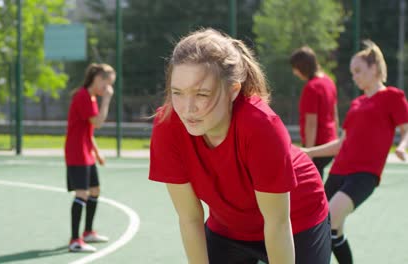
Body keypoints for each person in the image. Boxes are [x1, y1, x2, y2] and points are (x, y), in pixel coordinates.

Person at [149, 28, 331, 264]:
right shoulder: (168, 126)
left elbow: (277, 223)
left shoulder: (260, 125)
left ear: (233, 90)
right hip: (229, 227)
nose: (188, 108)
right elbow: (189, 218)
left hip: (295, 218)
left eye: (202, 94)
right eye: (178, 93)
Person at [302, 40, 408, 264]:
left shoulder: (392, 96)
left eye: (359, 70)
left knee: (327, 220)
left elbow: (406, 129)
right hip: (338, 172)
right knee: (331, 229)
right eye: (352, 72)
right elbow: (342, 143)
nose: (355, 76)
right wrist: (310, 152)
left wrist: (401, 145)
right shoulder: (357, 103)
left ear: (375, 68)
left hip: (364, 175)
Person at [65, 63, 115, 252]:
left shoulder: (92, 97)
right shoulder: (84, 96)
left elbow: (89, 131)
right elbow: (98, 122)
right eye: (107, 84)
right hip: (77, 152)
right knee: (82, 194)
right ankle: (75, 240)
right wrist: (107, 100)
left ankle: (87, 232)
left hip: (86, 151)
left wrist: (96, 151)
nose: (108, 88)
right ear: (98, 79)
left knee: (95, 190)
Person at [290, 46, 339, 178]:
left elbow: (311, 123)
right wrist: (336, 140)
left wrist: (309, 152)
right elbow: (335, 115)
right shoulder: (329, 82)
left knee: (308, 182)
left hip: (317, 145)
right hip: (330, 142)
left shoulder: (311, 88)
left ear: (301, 67)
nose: (294, 72)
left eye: (295, 68)